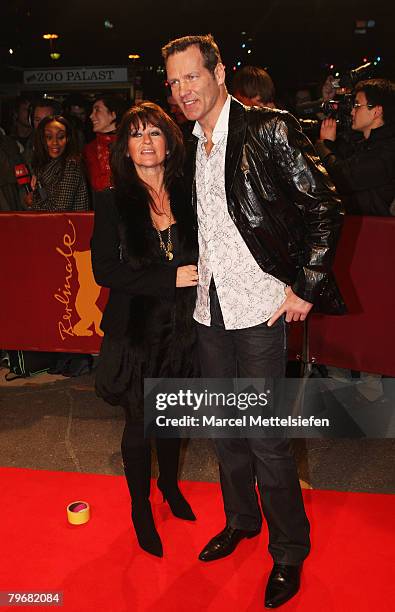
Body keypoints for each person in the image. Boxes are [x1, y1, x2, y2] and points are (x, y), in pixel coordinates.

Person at [162, 34, 345, 608]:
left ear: (218, 72)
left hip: (263, 306)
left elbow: (325, 203)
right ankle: (242, 520)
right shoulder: (190, 145)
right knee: (224, 430)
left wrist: (306, 285)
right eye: (173, 81)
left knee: (266, 439)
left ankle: (289, 550)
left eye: (192, 76)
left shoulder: (269, 128)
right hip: (210, 307)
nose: (183, 90)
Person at [91, 101, 199, 558]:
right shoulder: (112, 201)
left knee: (174, 419)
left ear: (169, 141)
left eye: (154, 133)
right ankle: (140, 506)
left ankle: (170, 487)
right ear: (126, 148)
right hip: (136, 334)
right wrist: (166, 278)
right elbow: (104, 271)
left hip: (183, 330)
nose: (147, 142)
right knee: (139, 426)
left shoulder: (192, 193)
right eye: (136, 135)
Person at [316, 78, 395, 215]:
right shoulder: (365, 143)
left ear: (376, 111)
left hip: (378, 232)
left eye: (357, 105)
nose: (352, 111)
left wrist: (325, 145)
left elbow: (341, 178)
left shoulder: (387, 152)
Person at [30, 115, 90, 211]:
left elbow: (59, 210)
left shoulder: (71, 165)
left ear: (68, 139)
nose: (55, 143)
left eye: (60, 137)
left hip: (68, 225)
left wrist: (32, 201)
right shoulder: (43, 165)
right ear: (41, 139)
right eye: (49, 137)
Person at [83, 94, 127, 192]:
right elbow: (95, 184)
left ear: (113, 114)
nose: (91, 116)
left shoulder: (130, 143)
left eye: (97, 110)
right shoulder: (90, 148)